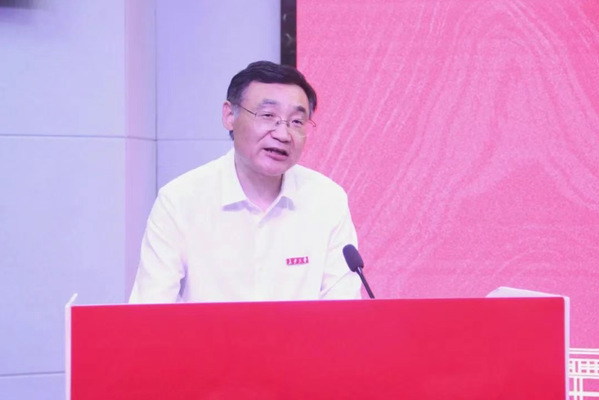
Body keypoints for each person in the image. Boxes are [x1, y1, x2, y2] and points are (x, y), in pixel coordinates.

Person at [129, 61, 361, 303]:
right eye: (268, 116)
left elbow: (344, 308)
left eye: (296, 122)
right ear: (230, 115)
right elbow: (150, 308)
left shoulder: (327, 200)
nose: (283, 135)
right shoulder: (180, 201)